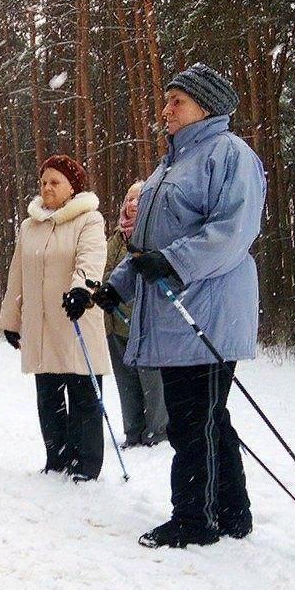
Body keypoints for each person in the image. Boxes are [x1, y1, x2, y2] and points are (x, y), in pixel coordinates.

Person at [93, 63, 266, 549]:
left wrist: (174, 262)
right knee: (209, 416)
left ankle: (195, 519)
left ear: (205, 108)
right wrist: (117, 286)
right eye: (166, 100)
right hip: (172, 314)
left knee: (194, 419)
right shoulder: (169, 164)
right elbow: (146, 245)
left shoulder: (231, 156)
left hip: (207, 312)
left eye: (178, 102)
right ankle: (232, 512)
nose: (165, 110)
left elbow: (232, 233)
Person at [0, 155, 111, 482]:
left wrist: (82, 290)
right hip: (40, 323)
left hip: (75, 318)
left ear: (72, 187)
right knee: (48, 396)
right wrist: (11, 319)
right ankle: (57, 458)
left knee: (83, 396)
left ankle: (86, 464)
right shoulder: (29, 226)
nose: (47, 187)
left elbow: (90, 261)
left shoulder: (89, 220)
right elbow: (16, 276)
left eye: (55, 182)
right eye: (44, 182)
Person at [105, 181, 167, 448]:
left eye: (138, 200)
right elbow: (103, 271)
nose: (132, 204)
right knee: (125, 381)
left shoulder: (155, 235)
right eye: (129, 199)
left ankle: (157, 432)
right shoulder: (116, 239)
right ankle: (133, 431)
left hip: (144, 323)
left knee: (152, 381)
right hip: (116, 322)